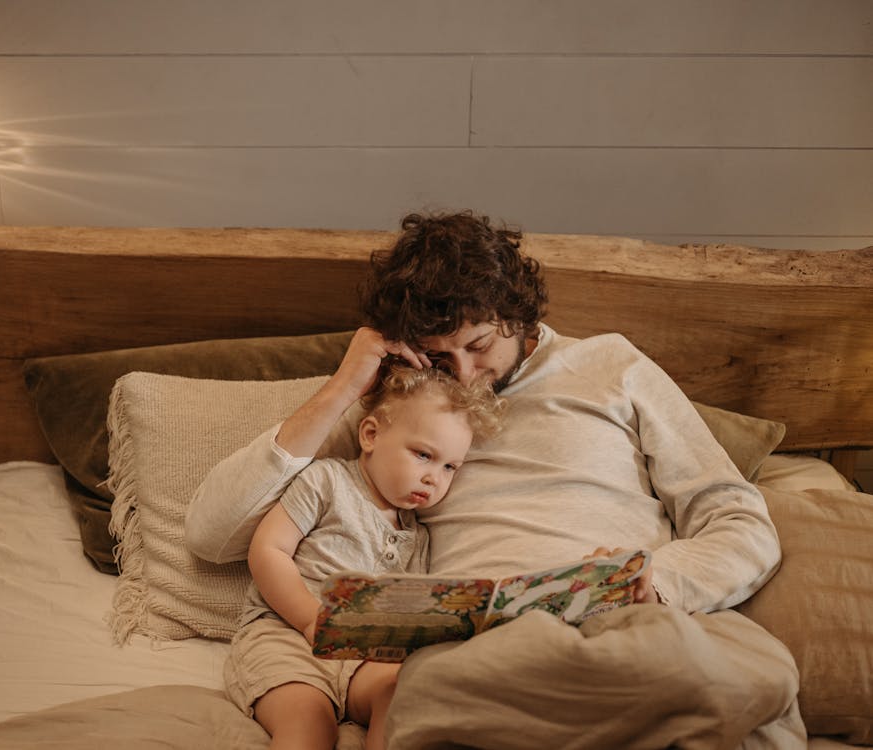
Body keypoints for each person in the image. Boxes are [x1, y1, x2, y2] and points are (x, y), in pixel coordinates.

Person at [189, 211, 805, 749]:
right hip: (480, 644)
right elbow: (212, 534)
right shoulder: (403, 406)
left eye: (479, 345)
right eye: (439, 357)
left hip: (630, 613)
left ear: (515, 312)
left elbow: (736, 517)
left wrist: (661, 582)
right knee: (436, 691)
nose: (465, 377)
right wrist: (345, 386)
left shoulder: (612, 365)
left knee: (755, 673)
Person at [225, 365, 504, 750]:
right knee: (309, 723)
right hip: (286, 635)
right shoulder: (327, 481)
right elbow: (268, 550)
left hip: (364, 656)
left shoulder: (418, 535)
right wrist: (310, 619)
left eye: (449, 467)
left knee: (403, 694)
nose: (434, 478)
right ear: (371, 435)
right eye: (424, 455)